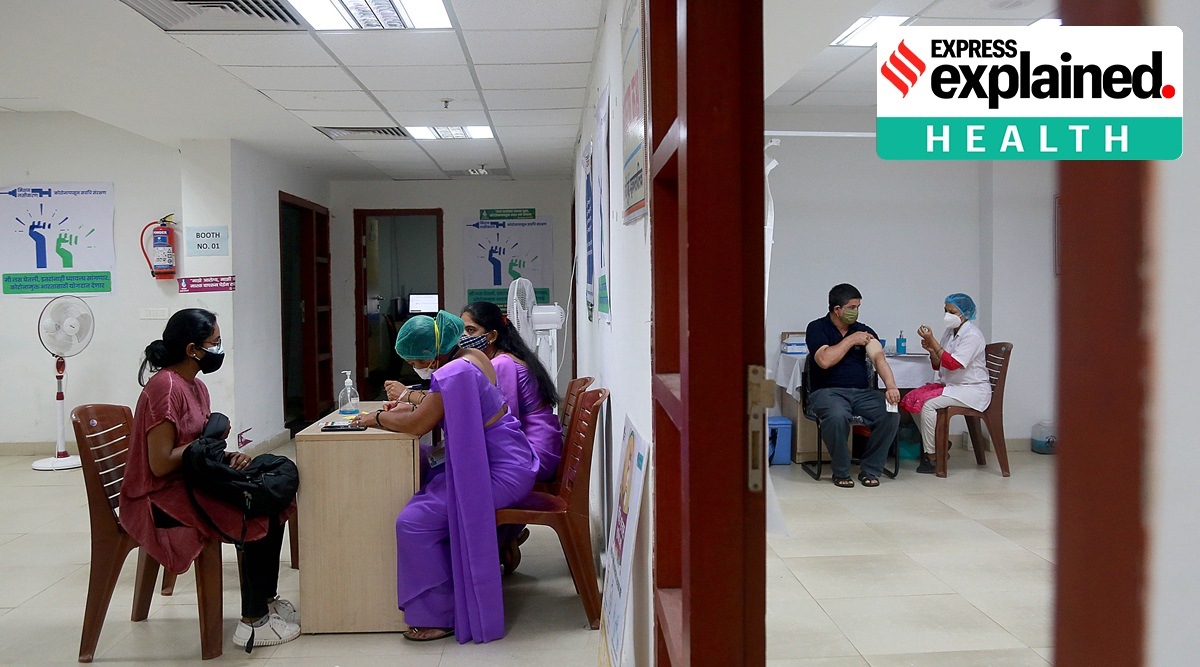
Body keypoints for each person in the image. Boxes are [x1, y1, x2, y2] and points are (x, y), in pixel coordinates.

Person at [118, 309, 299, 649]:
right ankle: (253, 622)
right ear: (191, 349)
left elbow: (195, 447)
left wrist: (225, 456)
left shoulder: (196, 386)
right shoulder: (165, 389)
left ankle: (264, 597)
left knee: (274, 489)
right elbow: (159, 464)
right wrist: (204, 450)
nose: (218, 349)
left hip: (187, 480)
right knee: (253, 508)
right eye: (213, 343)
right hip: (158, 495)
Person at [353, 310, 537, 643]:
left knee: (413, 522)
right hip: (506, 457)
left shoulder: (453, 372)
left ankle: (440, 614)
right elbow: (435, 410)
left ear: (435, 353)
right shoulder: (471, 356)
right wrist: (406, 409)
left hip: (499, 470)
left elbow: (418, 425)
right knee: (424, 467)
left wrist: (375, 418)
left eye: (416, 360)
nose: (416, 367)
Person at [804, 284, 901, 488]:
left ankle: (871, 469)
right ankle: (840, 470)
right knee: (838, 416)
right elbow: (824, 360)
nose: (856, 312)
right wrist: (851, 340)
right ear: (837, 309)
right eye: (851, 307)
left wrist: (891, 386)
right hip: (827, 392)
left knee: (890, 413)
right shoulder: (817, 328)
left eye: (858, 307)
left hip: (862, 393)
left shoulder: (863, 330)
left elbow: (878, 358)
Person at [459, 301, 562, 481]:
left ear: (491, 336)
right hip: (540, 445)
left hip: (536, 454)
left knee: (464, 473)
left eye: (471, 330)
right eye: (462, 330)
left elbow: (505, 418)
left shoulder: (501, 363)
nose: (464, 337)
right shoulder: (506, 357)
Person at [912, 293, 992, 474]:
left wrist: (933, 341)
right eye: (945, 310)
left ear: (965, 314)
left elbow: (954, 364)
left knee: (928, 406)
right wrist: (932, 350)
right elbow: (938, 364)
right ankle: (938, 442)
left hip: (972, 389)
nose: (947, 315)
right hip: (955, 386)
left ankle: (933, 456)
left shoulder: (973, 335)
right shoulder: (949, 333)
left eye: (952, 311)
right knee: (914, 401)